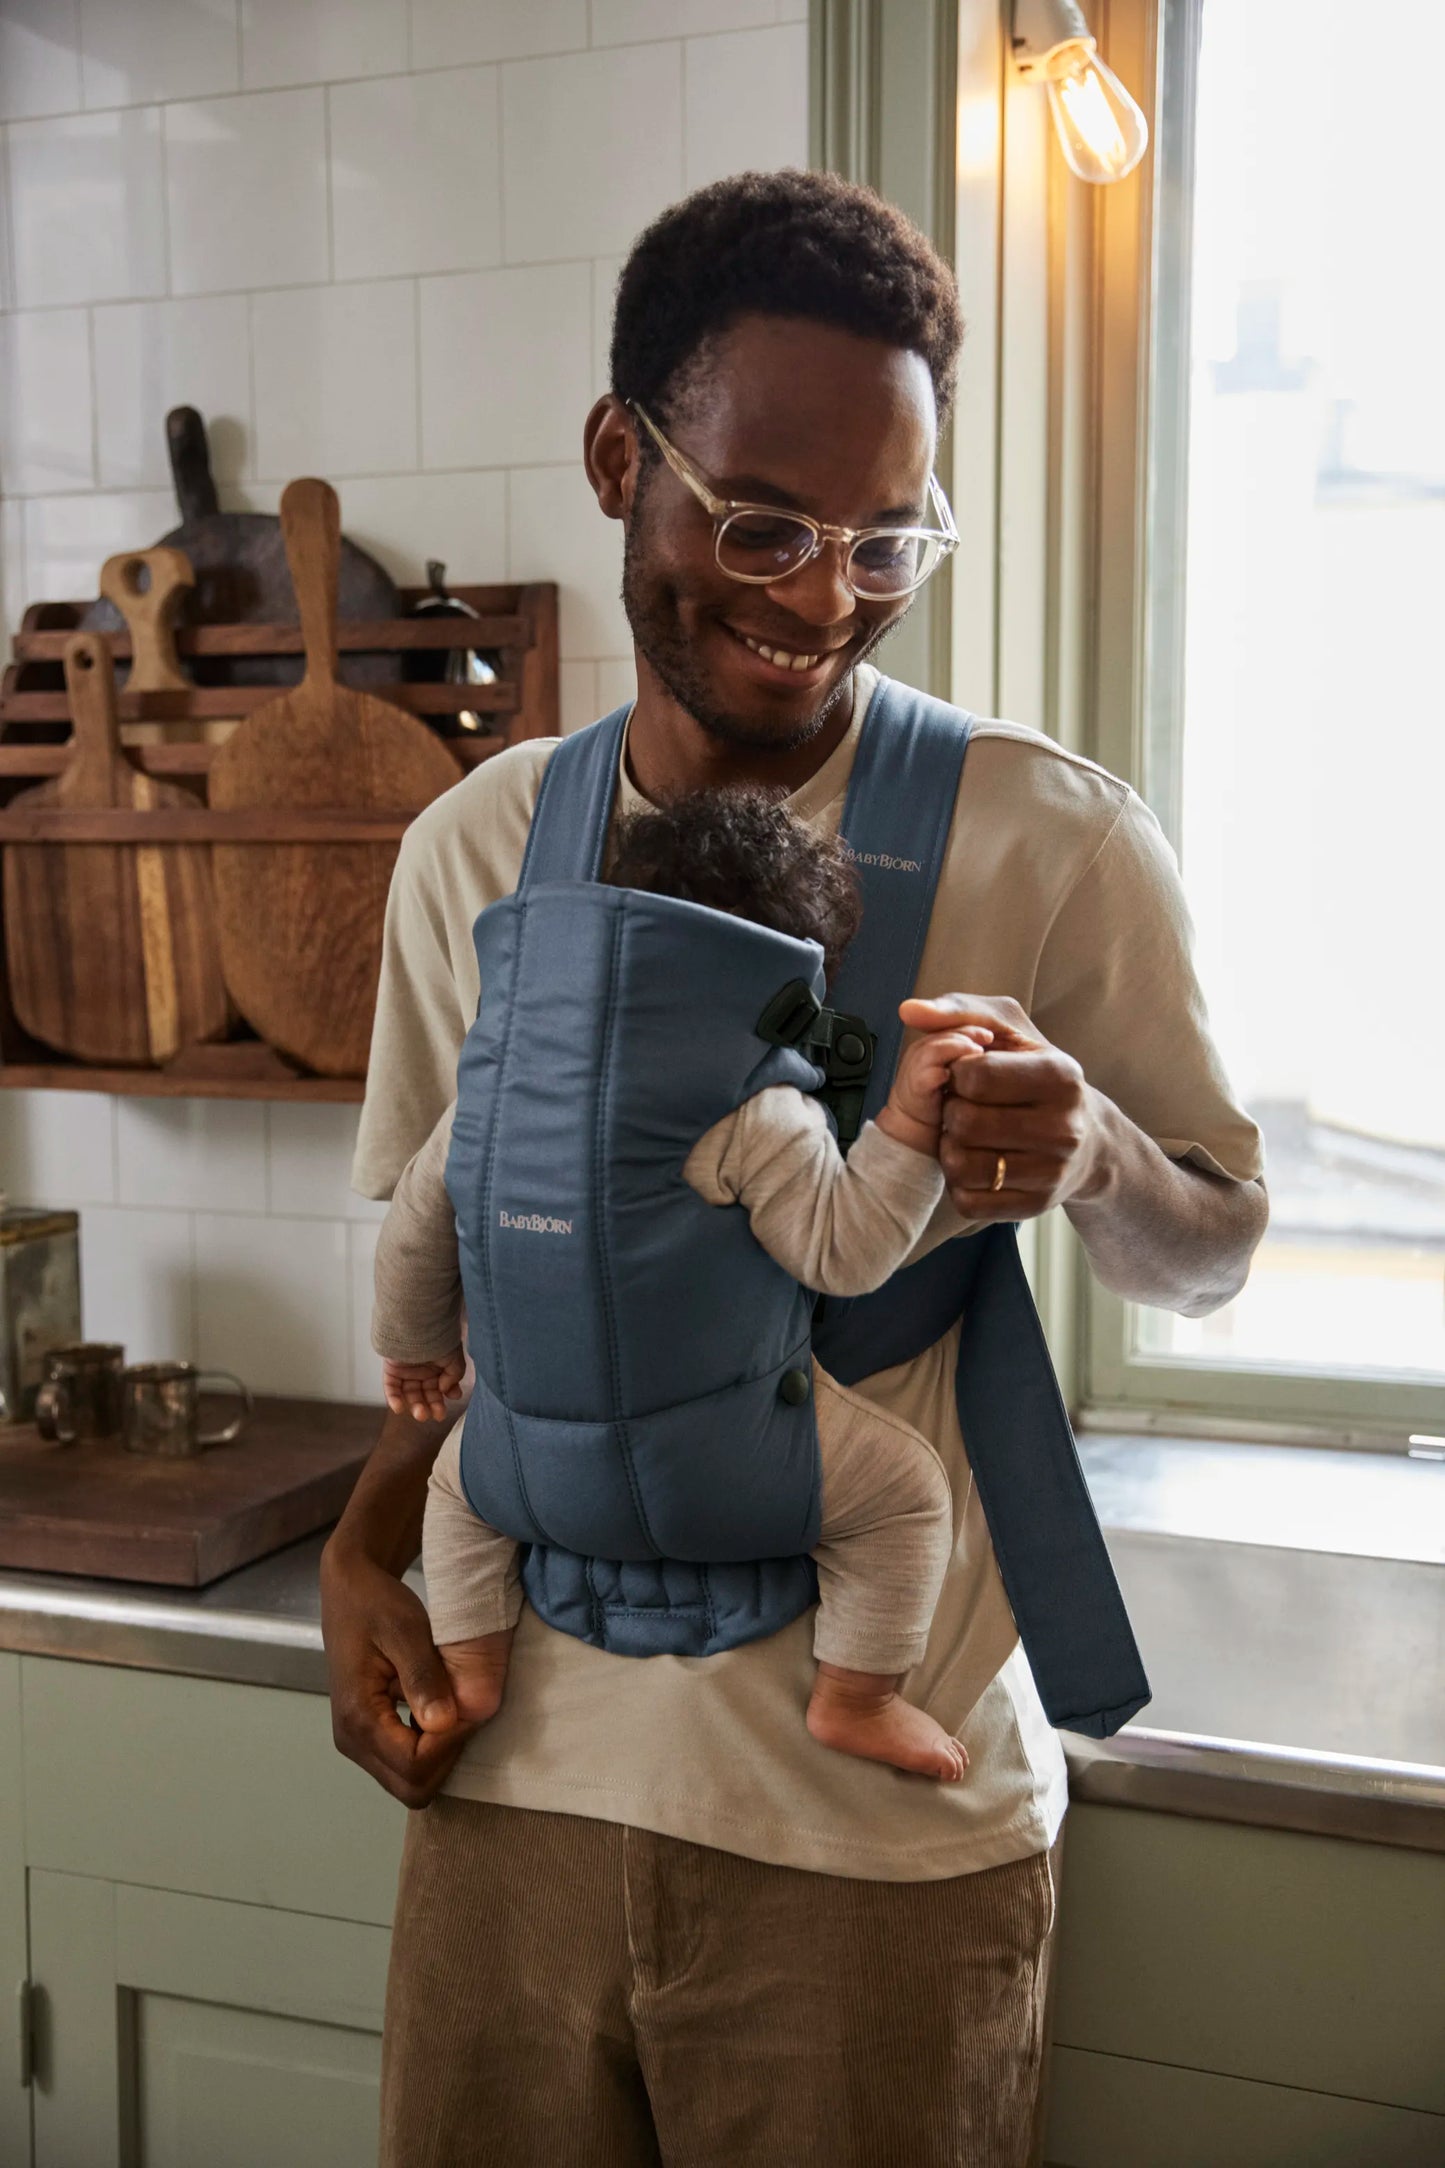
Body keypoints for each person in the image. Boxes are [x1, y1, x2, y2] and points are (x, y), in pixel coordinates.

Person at [323, 169, 1267, 2166]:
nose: (822, 594)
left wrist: (1091, 1148)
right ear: (620, 461)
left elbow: (1207, 1252)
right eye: (761, 524)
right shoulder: (472, 851)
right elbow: (445, 1293)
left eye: (884, 540)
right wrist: (360, 1543)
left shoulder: (1053, 840)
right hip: (507, 1802)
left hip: (874, 1853)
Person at [372, 788, 995, 1784]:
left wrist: (414, 1348)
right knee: (905, 1498)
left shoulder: (489, 1099)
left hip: (522, 1473)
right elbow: (844, 1253)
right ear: (783, 977)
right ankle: (856, 1697)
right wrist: (910, 1130)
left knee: (455, 1494)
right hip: (723, 1470)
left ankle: (474, 1671)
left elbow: (413, 1227)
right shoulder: (754, 1106)